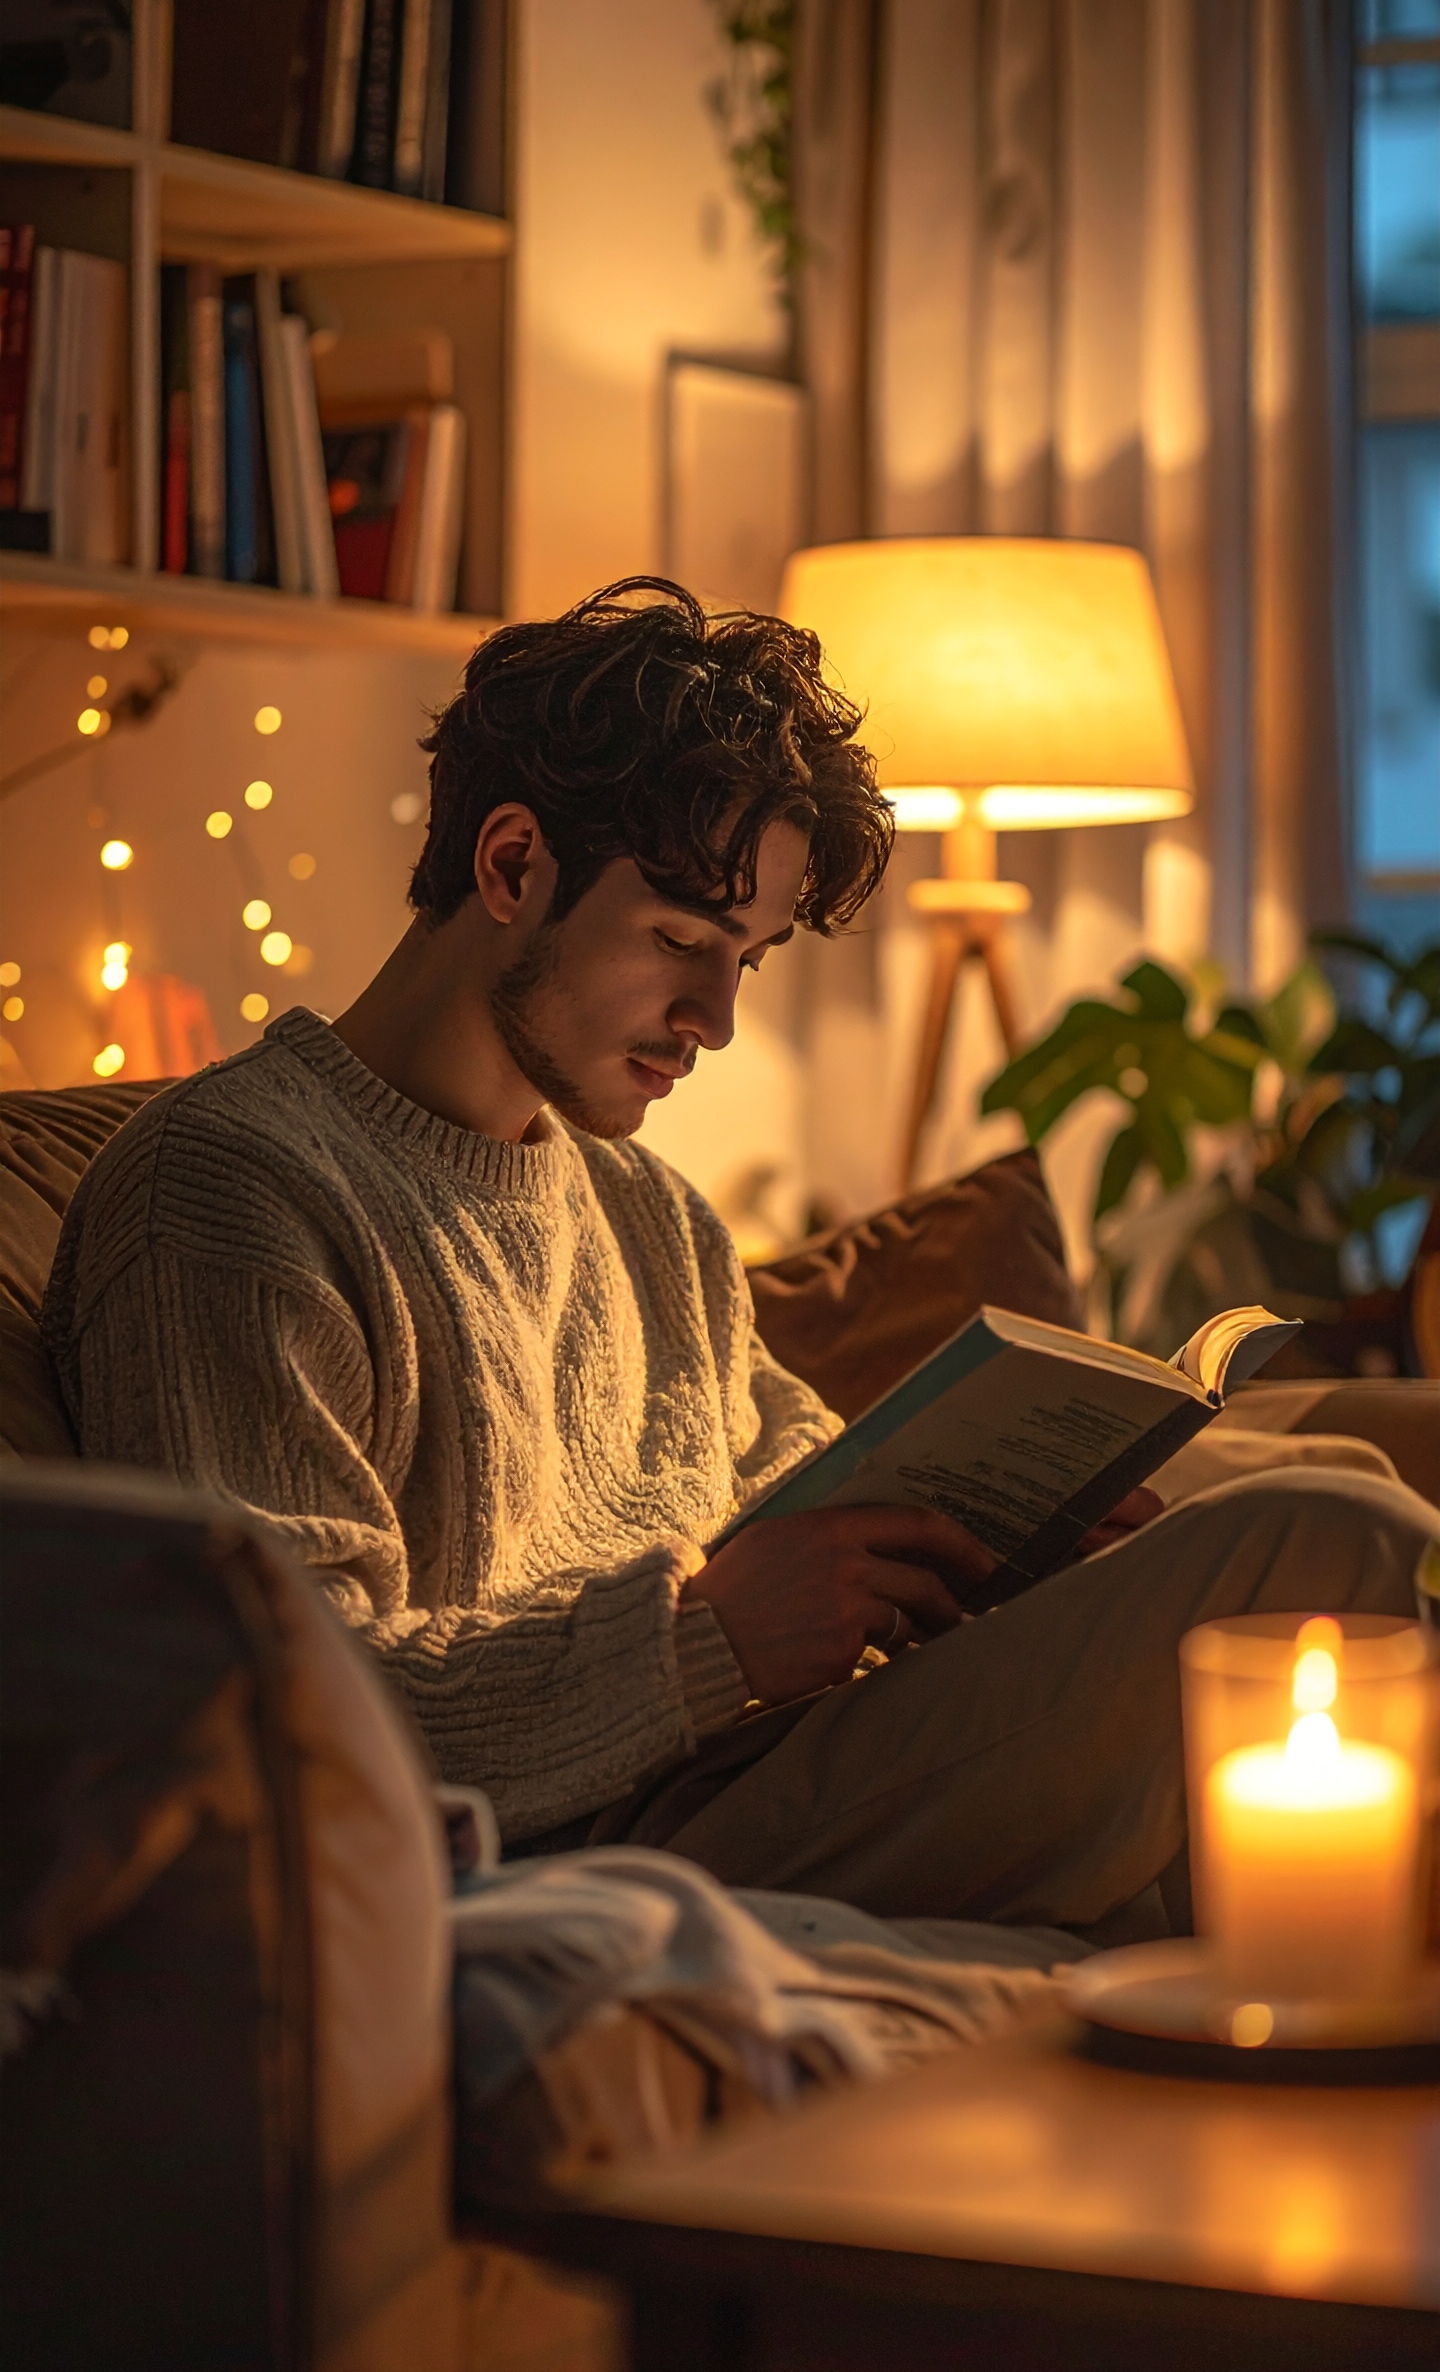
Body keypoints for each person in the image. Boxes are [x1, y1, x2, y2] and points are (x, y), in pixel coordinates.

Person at [45, 579, 1439, 1944]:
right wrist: (699, 1643)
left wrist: (1003, 1551)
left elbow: (802, 1482)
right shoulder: (229, 1187)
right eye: (679, 943)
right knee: (1332, 1541)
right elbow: (267, 1708)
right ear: (513, 866)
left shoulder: (648, 1212)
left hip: (793, 1746)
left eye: (748, 959)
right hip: (605, 1829)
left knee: (1325, 1480)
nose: (710, 1015)